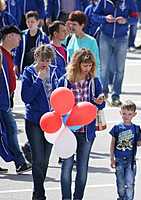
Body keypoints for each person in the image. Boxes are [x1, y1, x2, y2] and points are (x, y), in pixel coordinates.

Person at [57, 48, 105, 200]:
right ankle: (66, 198)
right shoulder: (65, 81)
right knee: (66, 167)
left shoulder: (94, 81)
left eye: (90, 65)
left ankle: (78, 198)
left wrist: (99, 101)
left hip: (87, 131)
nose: (87, 69)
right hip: (68, 131)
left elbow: (99, 104)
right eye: (84, 65)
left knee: (82, 167)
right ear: (77, 64)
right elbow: (56, 104)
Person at [21, 44, 63, 200]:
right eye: (42, 59)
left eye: (47, 59)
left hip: (52, 122)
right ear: (36, 57)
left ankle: (36, 192)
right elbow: (26, 97)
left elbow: (61, 93)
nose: (44, 63)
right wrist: (39, 79)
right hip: (34, 121)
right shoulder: (29, 72)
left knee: (44, 161)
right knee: (38, 159)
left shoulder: (56, 71)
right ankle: (40, 195)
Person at [0, 25, 32, 175]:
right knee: (11, 130)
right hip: (2, 101)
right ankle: (20, 163)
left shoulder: (8, 54)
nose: (20, 39)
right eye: (17, 36)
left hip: (6, 100)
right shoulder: (0, 54)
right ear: (9, 36)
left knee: (5, 131)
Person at [93, 0, 138, 106]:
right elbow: (94, 15)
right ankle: (103, 92)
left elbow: (135, 19)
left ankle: (116, 95)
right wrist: (105, 18)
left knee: (120, 69)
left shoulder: (129, 2)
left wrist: (126, 20)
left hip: (122, 38)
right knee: (103, 67)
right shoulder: (104, 1)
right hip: (105, 36)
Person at [109, 100, 141, 200]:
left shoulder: (136, 128)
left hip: (131, 162)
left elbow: (138, 143)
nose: (126, 116)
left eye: (129, 114)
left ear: (134, 114)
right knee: (120, 183)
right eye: (124, 113)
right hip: (119, 160)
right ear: (120, 113)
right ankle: (121, 197)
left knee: (130, 183)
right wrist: (111, 158)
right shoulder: (117, 127)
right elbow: (112, 143)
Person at [14, 11, 49, 77]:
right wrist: (16, 64)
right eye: (28, 22)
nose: (30, 24)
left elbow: (47, 54)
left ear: (37, 22)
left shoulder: (43, 37)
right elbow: (17, 51)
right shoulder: (22, 35)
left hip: (37, 70)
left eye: (32, 22)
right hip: (24, 68)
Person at [66, 11, 100, 77]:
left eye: (74, 24)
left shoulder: (91, 41)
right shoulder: (69, 38)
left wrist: (95, 80)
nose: (71, 27)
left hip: (86, 79)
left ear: (82, 25)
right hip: (72, 77)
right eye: (71, 24)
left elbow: (96, 63)